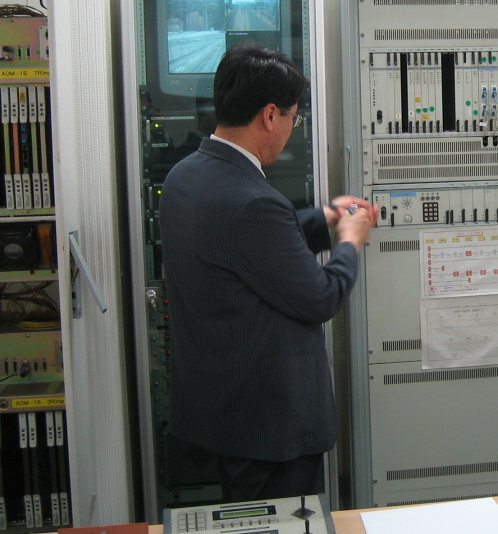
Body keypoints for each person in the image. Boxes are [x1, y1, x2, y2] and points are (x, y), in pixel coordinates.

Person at [160, 41, 378, 501]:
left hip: (223, 410)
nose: (292, 130)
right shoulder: (252, 200)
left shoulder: (186, 175)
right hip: (268, 426)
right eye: (294, 118)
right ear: (270, 115)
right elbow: (321, 296)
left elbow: (245, 249)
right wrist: (350, 241)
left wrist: (324, 218)